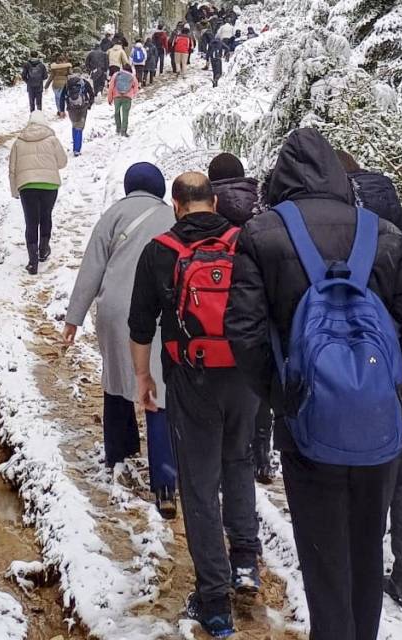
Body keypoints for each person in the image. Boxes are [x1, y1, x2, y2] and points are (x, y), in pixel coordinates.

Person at [224, 128, 402, 640]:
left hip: (308, 429)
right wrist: (390, 392)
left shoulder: (261, 235)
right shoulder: (383, 234)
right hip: (377, 430)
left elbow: (243, 332)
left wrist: (286, 396)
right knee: (367, 551)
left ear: (281, 179)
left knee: (324, 558)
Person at [129, 172, 261, 639]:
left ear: (176, 204)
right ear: (215, 201)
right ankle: (246, 562)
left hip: (191, 377)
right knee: (239, 461)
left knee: (200, 485)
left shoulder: (161, 250)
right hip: (244, 375)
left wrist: (144, 378)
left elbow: (140, 325)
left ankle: (215, 602)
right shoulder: (243, 241)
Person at [335, 149, 402, 617]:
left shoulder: (344, 220)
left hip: (367, 355)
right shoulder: (395, 212)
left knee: (363, 454)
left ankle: (362, 564)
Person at [64, 163, 178, 518]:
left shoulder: (112, 215)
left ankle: (119, 456)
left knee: (116, 381)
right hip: (158, 312)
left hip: (115, 311)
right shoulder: (172, 219)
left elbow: (91, 269)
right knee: (156, 390)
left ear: (129, 186)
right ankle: (165, 484)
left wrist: (73, 318)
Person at [207, 153, 274, 484]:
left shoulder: (209, 205)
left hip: (220, 305)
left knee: (225, 385)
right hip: (260, 304)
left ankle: (223, 458)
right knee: (260, 382)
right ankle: (262, 455)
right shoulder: (261, 203)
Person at [8, 111, 67, 274]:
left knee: (31, 221)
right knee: (46, 216)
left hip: (27, 186)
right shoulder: (52, 139)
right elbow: (62, 162)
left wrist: (14, 190)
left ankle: (33, 261)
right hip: (49, 185)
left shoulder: (18, 142)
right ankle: (43, 249)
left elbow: (12, 169)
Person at [65, 74, 95, 157]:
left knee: (74, 126)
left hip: (71, 108)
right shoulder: (84, 83)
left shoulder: (68, 83)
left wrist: (62, 108)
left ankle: (75, 146)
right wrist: (90, 104)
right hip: (82, 107)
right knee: (80, 127)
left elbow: (62, 96)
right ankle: (77, 149)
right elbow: (91, 93)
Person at [107, 66, 139, 137]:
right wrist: (132, 94)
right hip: (127, 97)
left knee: (117, 112)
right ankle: (123, 131)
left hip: (117, 96)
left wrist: (110, 98)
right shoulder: (132, 76)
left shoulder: (116, 75)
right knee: (125, 114)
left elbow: (111, 87)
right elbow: (136, 88)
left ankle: (118, 128)